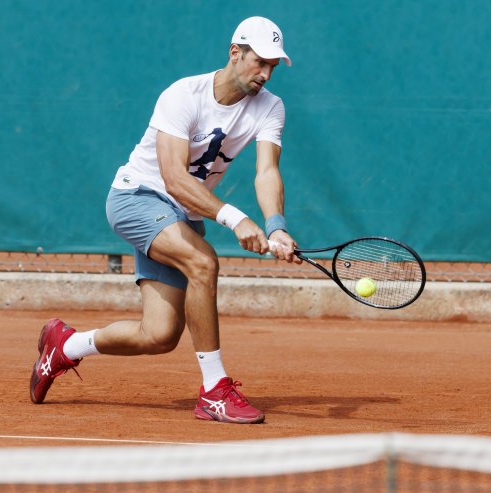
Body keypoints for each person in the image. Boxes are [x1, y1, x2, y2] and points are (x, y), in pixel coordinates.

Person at [30, 16, 300, 424]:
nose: (265, 73)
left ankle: (65, 346)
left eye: (272, 66)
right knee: (203, 262)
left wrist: (276, 223)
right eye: (259, 62)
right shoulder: (183, 95)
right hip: (136, 197)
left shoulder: (271, 107)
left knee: (158, 335)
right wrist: (235, 218)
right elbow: (173, 178)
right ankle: (214, 392)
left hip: (182, 213)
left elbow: (267, 172)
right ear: (235, 53)